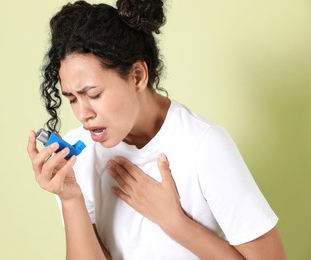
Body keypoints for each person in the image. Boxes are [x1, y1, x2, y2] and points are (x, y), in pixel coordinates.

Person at [27, 0, 287, 259]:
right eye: (72, 98)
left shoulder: (203, 145)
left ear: (138, 76)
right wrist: (71, 199)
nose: (83, 114)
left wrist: (177, 224)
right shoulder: (76, 157)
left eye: (93, 94)